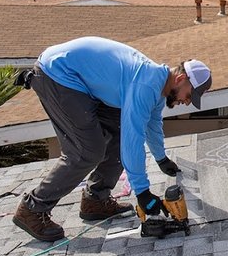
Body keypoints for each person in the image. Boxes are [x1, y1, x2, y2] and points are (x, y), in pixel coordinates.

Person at [12, 36, 213, 241]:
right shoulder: (145, 85)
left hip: (79, 81)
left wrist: (161, 159)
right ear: (180, 79)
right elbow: (133, 139)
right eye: (189, 96)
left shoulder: (157, 88)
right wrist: (142, 192)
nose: (187, 103)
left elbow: (152, 127)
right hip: (58, 73)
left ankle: (95, 200)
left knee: (117, 131)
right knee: (87, 151)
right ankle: (33, 208)